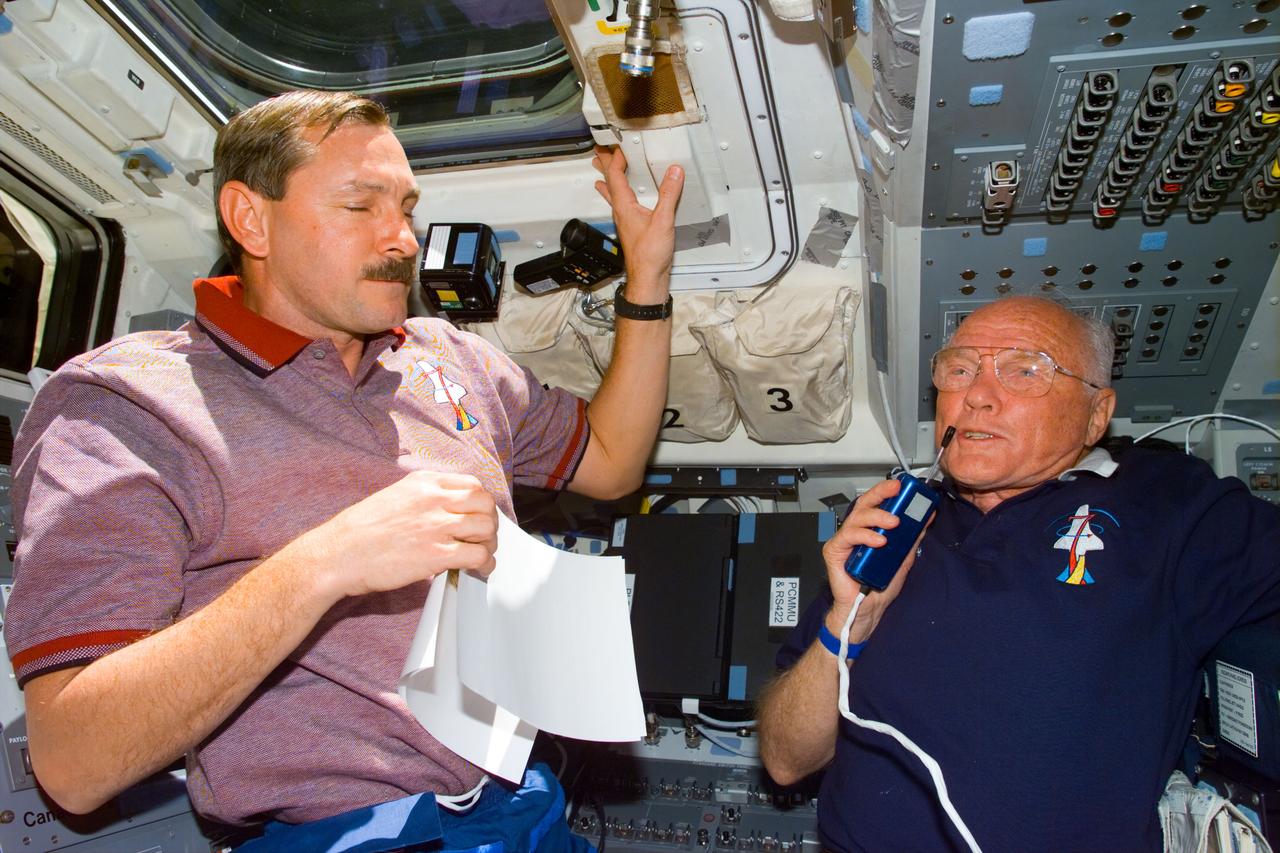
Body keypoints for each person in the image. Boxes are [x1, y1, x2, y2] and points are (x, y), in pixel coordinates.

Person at [4, 89, 684, 844]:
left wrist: (647, 281)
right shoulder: (126, 405)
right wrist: (328, 561)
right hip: (347, 832)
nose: (401, 239)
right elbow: (74, 758)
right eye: (361, 206)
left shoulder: (450, 358)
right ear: (250, 219)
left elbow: (614, 462)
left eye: (407, 207)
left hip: (523, 804)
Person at [758, 295, 1280, 852]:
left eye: (1025, 370)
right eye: (959, 370)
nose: (976, 397)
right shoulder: (887, 527)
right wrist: (850, 619)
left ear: (1096, 415)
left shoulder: (1170, 503)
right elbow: (786, 760)